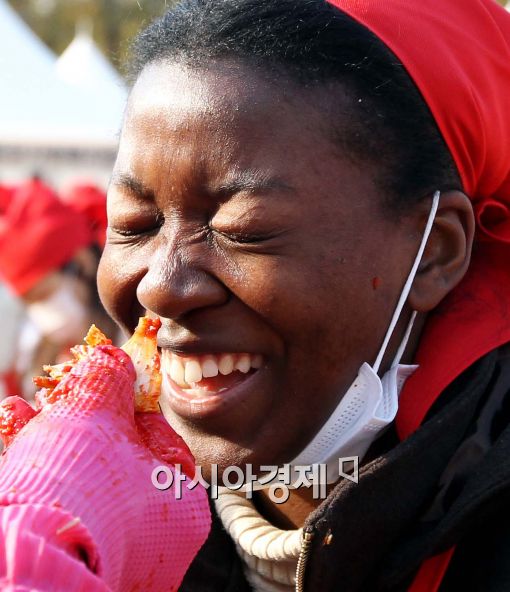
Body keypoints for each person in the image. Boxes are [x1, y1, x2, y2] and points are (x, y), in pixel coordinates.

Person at [0, 0, 509, 590]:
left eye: (245, 229)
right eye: (135, 222)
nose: (162, 287)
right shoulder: (101, 526)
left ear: (435, 251)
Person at [0, 177, 115, 399]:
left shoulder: (137, 345)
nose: (42, 312)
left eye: (44, 296)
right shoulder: (35, 358)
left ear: (83, 264)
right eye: (30, 303)